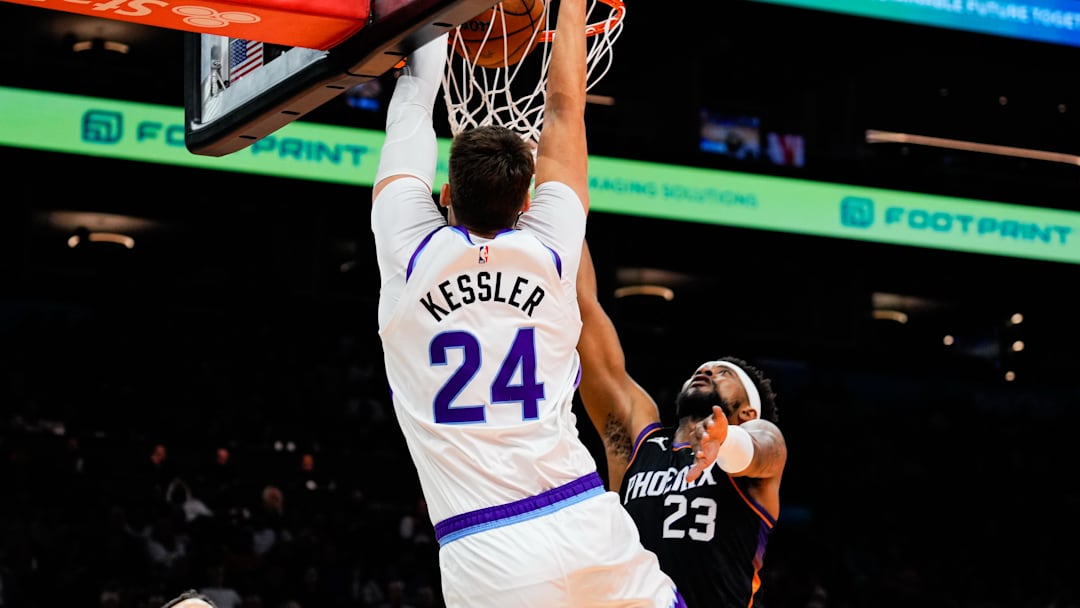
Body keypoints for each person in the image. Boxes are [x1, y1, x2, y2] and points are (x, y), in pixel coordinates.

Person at [368, 0, 684, 605]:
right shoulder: (553, 247)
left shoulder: (409, 253)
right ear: (526, 203)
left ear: (444, 195)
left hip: (488, 545)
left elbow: (413, 101)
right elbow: (565, 108)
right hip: (587, 515)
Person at [575, 240, 788, 608]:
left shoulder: (752, 463)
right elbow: (585, 312)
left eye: (724, 373)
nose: (706, 369)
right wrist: (560, 205)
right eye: (704, 367)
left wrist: (730, 443)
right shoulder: (639, 443)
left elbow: (767, 447)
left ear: (747, 415)